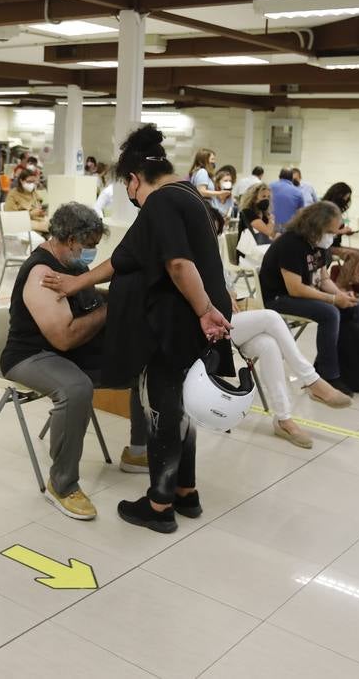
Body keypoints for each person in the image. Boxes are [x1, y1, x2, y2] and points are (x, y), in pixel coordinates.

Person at [45, 125, 233, 534]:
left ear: (133, 180)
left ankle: (159, 505)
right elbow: (125, 258)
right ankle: (187, 492)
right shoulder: (188, 197)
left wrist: (202, 310)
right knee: (182, 408)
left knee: (165, 410)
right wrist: (76, 282)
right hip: (194, 322)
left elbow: (179, 264)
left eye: (128, 187)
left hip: (176, 326)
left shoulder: (162, 202)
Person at [1, 203, 109, 520]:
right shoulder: (42, 273)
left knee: (137, 363)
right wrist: (108, 309)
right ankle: (62, 484)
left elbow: (87, 298)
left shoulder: (71, 266)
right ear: (70, 238)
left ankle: (140, 451)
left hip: (63, 353)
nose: (90, 253)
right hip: (29, 355)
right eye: (87, 246)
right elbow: (64, 337)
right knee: (75, 389)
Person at [259, 202, 359, 393]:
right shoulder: (289, 244)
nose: (332, 236)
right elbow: (295, 289)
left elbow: (324, 279)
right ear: (315, 226)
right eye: (330, 231)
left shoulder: (318, 243)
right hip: (277, 298)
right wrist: (332, 300)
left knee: (354, 306)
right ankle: (328, 375)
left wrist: (341, 295)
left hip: (299, 292)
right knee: (330, 313)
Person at [231, 309, 350, 449]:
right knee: (271, 317)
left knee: (269, 345)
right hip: (212, 327)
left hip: (232, 323)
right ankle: (312, 380)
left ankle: (283, 419)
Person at [321, 183, 359, 293]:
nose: (347, 200)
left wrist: (344, 232)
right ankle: (339, 286)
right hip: (327, 246)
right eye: (346, 197)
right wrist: (342, 231)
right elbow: (325, 232)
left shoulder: (336, 209)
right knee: (354, 255)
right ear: (339, 195)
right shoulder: (326, 209)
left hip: (336, 244)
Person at [4, 168, 50, 237]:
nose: (31, 184)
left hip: (36, 220)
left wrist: (41, 211)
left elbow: (40, 203)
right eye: (29, 182)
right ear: (21, 181)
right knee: (52, 228)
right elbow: (11, 216)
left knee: (56, 225)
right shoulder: (13, 194)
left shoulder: (33, 193)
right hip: (21, 223)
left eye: (33, 182)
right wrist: (31, 213)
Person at [188, 148, 231, 216]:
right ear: (204, 160)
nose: (214, 162)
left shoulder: (199, 172)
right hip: (204, 209)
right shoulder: (202, 172)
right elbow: (201, 192)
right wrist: (220, 193)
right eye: (212, 159)